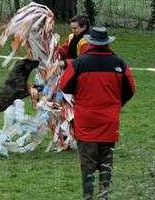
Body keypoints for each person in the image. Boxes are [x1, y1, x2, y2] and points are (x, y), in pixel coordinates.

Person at [59, 27, 136, 200]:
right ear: (107, 42)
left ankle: (88, 196)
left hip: (85, 120)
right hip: (109, 121)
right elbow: (130, 89)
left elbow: (64, 86)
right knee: (106, 162)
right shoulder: (119, 63)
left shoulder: (79, 63)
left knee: (87, 162)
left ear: (90, 42)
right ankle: (104, 196)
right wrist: (116, 104)